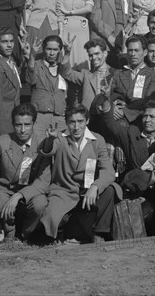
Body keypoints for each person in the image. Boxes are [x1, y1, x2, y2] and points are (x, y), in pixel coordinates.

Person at [0, 103, 51, 241]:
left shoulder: (43, 145)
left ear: (34, 124)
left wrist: (19, 196)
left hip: (31, 191)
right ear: (13, 124)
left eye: (27, 125)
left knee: (40, 204)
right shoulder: (2, 141)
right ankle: (9, 232)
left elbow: (43, 182)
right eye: (18, 125)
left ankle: (25, 234)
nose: (23, 130)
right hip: (5, 189)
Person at [36, 104, 117, 242]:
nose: (76, 127)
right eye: (72, 122)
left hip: (88, 192)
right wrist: (50, 139)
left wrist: (95, 186)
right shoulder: (60, 137)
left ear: (87, 121)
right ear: (67, 122)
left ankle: (99, 234)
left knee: (110, 190)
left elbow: (108, 171)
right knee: (53, 223)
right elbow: (47, 151)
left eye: (80, 122)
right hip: (65, 191)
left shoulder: (97, 140)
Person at [98, 98, 155, 199]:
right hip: (132, 188)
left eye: (152, 117)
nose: (147, 120)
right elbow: (111, 125)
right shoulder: (132, 133)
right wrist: (105, 100)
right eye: (145, 116)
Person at [109, 35, 155, 124]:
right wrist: (112, 106)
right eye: (130, 50)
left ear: (145, 52)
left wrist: (125, 111)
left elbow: (148, 101)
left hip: (140, 121)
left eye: (136, 50)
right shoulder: (118, 73)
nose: (133, 54)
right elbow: (108, 94)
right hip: (116, 119)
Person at [25, 35, 68, 141]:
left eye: (55, 49)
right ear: (44, 49)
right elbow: (30, 78)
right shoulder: (36, 65)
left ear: (60, 50)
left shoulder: (62, 68)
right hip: (40, 117)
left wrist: (68, 53)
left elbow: (68, 71)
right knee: (38, 151)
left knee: (60, 149)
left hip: (59, 119)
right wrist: (32, 56)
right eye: (49, 49)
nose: (52, 53)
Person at [57, 0, 95, 70]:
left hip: (81, 31)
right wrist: (60, 32)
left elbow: (88, 8)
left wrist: (70, 12)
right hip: (65, 28)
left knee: (81, 60)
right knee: (64, 59)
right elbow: (59, 9)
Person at [59, 37, 114, 112]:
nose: (94, 57)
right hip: (90, 119)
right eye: (90, 55)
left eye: (97, 54)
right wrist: (67, 53)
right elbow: (66, 73)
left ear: (105, 53)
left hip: (109, 117)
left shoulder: (115, 74)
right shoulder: (86, 75)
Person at [0, 27, 25, 136]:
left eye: (11, 41)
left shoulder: (11, 60)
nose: (9, 45)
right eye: (5, 42)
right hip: (3, 118)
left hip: (14, 117)